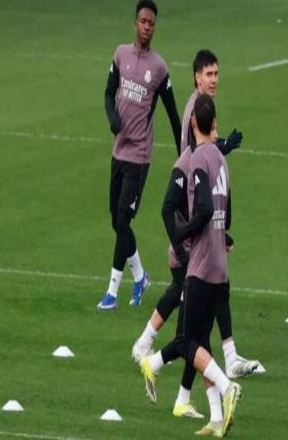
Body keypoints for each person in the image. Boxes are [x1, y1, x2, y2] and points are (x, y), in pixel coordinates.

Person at [131, 49, 258, 418]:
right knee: (191, 324)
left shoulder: (207, 136)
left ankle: (193, 399)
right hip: (195, 238)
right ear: (196, 77)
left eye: (217, 73)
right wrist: (189, 233)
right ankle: (156, 357)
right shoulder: (196, 120)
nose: (214, 79)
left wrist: (217, 228)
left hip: (204, 237)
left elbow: (215, 194)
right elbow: (193, 164)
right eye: (208, 74)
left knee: (197, 325)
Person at [140, 94, 242, 437]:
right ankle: (216, 417)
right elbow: (226, 215)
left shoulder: (197, 158)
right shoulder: (222, 160)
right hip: (220, 266)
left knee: (185, 340)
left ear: (193, 123)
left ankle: (227, 387)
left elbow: (201, 210)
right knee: (201, 341)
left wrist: (183, 234)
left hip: (201, 264)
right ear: (215, 123)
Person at [98, 0, 181, 310]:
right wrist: (113, 119)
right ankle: (141, 276)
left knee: (123, 219)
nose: (147, 27)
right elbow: (108, 93)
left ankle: (112, 292)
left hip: (139, 156)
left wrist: (184, 157)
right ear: (135, 23)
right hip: (118, 151)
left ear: (154, 28)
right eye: (143, 21)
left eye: (152, 23)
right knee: (116, 220)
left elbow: (173, 115)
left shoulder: (158, 68)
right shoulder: (120, 54)